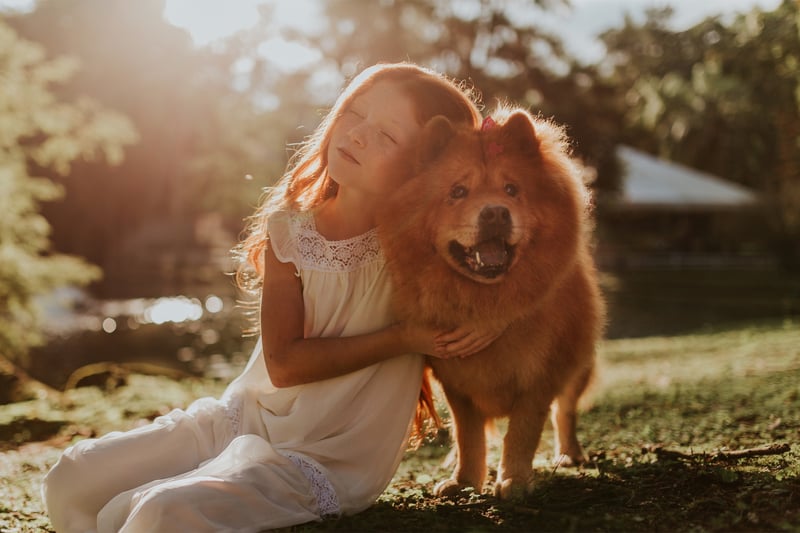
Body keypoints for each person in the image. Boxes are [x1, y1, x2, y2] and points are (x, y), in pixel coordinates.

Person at [42, 62, 501, 533]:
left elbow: (509, 289)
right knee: (73, 478)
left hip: (326, 456)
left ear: (426, 166)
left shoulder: (428, 247)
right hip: (245, 418)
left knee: (163, 512)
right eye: (355, 113)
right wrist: (404, 338)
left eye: (387, 135)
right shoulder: (290, 230)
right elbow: (283, 366)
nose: (358, 134)